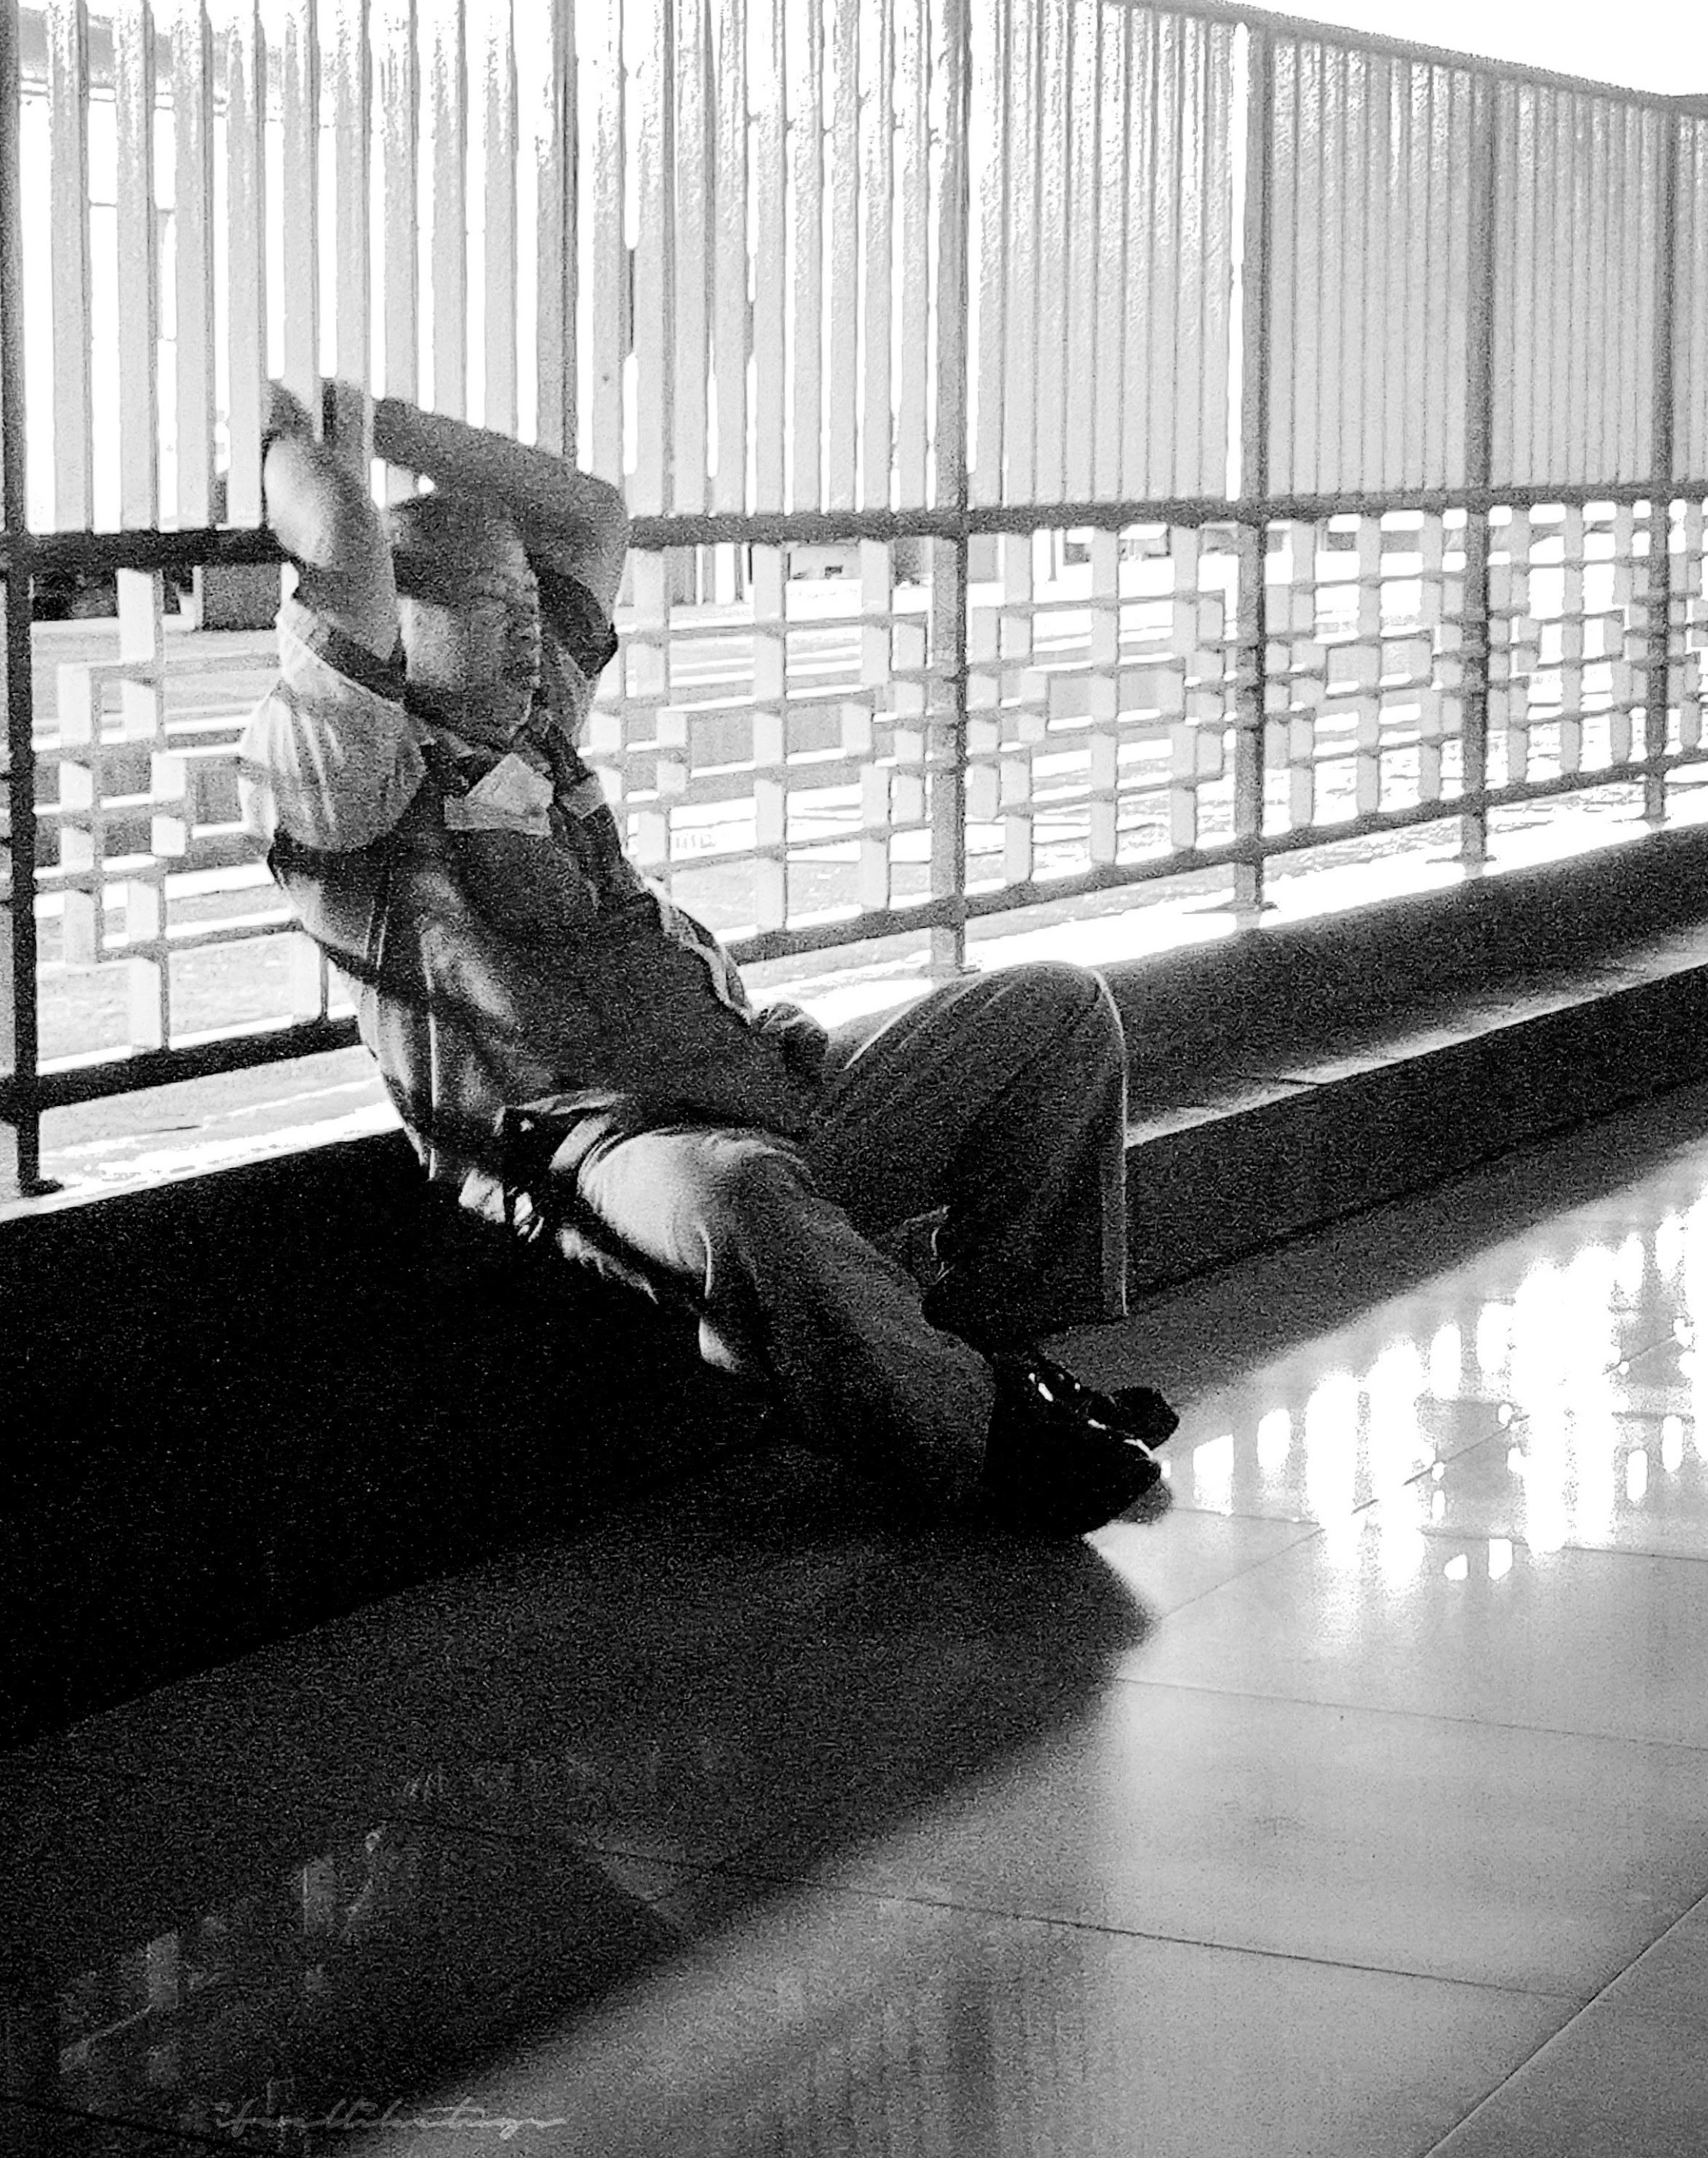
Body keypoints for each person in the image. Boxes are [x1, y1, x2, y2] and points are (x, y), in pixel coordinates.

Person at [238, 382, 1177, 1536]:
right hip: (613, 1148)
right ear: (397, 628)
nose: (531, 626)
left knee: (1058, 1013)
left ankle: (991, 1351)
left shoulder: (536, 728)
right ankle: (988, 1444)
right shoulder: (355, 794)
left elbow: (588, 515)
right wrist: (296, 439)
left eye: (531, 599)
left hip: (770, 1083)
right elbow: (336, 531)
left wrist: (388, 423)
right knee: (741, 1197)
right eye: (492, 602)